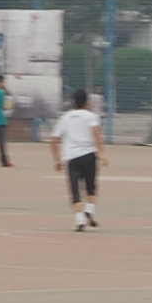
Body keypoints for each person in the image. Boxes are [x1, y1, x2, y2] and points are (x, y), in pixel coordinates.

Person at [50, 88, 107, 230]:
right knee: (91, 187)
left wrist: (57, 159)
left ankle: (80, 219)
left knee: (75, 190)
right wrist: (102, 153)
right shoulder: (92, 116)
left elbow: (54, 139)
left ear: (73, 102)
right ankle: (90, 209)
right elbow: (97, 134)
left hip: (72, 157)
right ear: (87, 102)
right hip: (89, 155)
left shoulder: (65, 117)